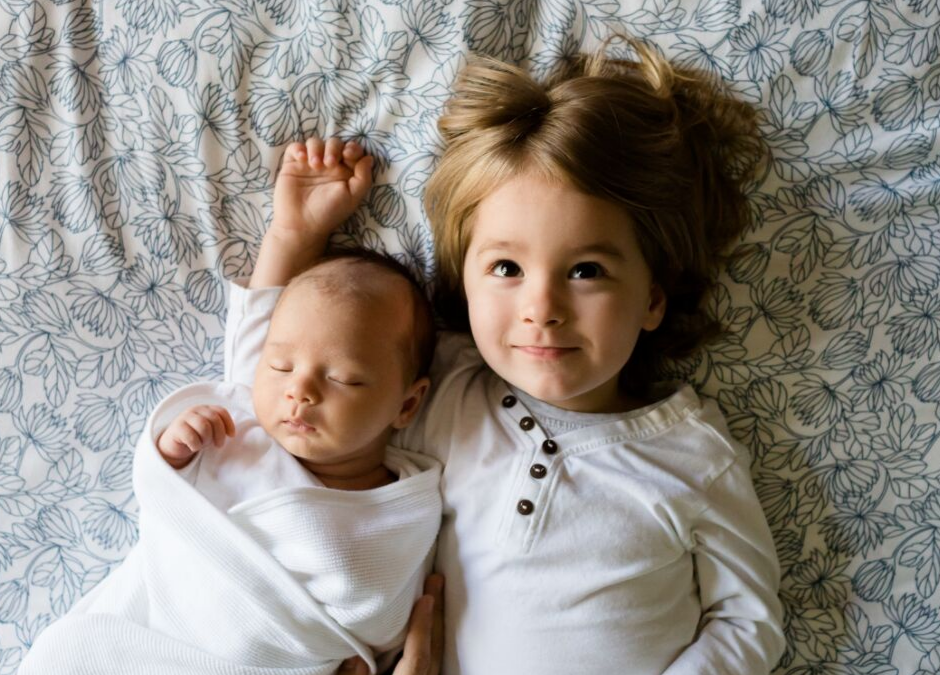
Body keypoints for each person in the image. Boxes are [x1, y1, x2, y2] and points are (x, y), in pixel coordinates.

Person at [225, 37, 787, 675]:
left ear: (652, 300)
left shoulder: (691, 455)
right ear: (464, 284)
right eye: (506, 267)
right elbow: (273, 388)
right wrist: (294, 236)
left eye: (585, 270)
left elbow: (750, 621)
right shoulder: (438, 394)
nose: (541, 307)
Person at [19, 144, 443, 675]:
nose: (299, 391)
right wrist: (174, 452)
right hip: (156, 637)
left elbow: (380, 616)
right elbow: (262, 315)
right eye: (282, 366)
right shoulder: (242, 419)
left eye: (342, 378)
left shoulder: (404, 507)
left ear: (407, 404)